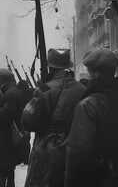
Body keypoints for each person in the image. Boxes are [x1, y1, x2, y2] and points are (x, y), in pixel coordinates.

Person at [66, 48, 118, 187]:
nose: (89, 75)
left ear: (97, 74)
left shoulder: (87, 105)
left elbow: (78, 156)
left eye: (90, 71)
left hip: (96, 179)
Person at [23, 49, 86, 187]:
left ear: (50, 67)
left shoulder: (44, 89)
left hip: (45, 151)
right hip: (72, 151)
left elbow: (28, 121)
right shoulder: (82, 89)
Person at [0, 68, 24, 187]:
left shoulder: (10, 93)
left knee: (3, 169)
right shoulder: (10, 91)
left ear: (2, 80)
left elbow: (7, 113)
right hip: (5, 136)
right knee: (7, 168)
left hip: (5, 137)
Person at [16, 80, 34, 165]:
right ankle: (26, 159)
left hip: (19, 119)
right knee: (27, 139)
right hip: (29, 119)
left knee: (20, 139)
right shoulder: (32, 93)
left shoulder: (18, 94)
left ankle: (20, 157)